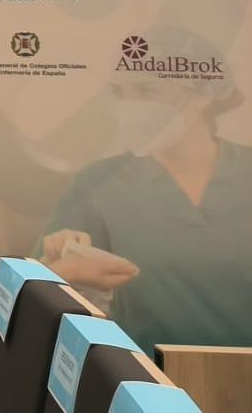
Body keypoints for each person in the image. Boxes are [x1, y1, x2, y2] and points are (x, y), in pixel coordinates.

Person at [39, 27, 252, 353]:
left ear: (203, 93)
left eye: (146, 90)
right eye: (119, 93)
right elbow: (44, 291)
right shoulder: (98, 184)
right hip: (146, 385)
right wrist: (55, 266)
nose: (129, 107)